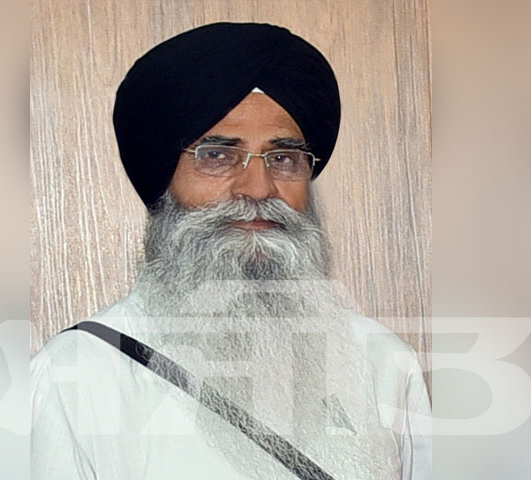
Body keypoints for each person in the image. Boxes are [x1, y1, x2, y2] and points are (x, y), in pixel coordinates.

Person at [30, 22, 431, 479]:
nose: (258, 188)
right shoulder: (76, 376)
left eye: (283, 158)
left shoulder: (383, 365)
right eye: (217, 156)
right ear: (163, 180)